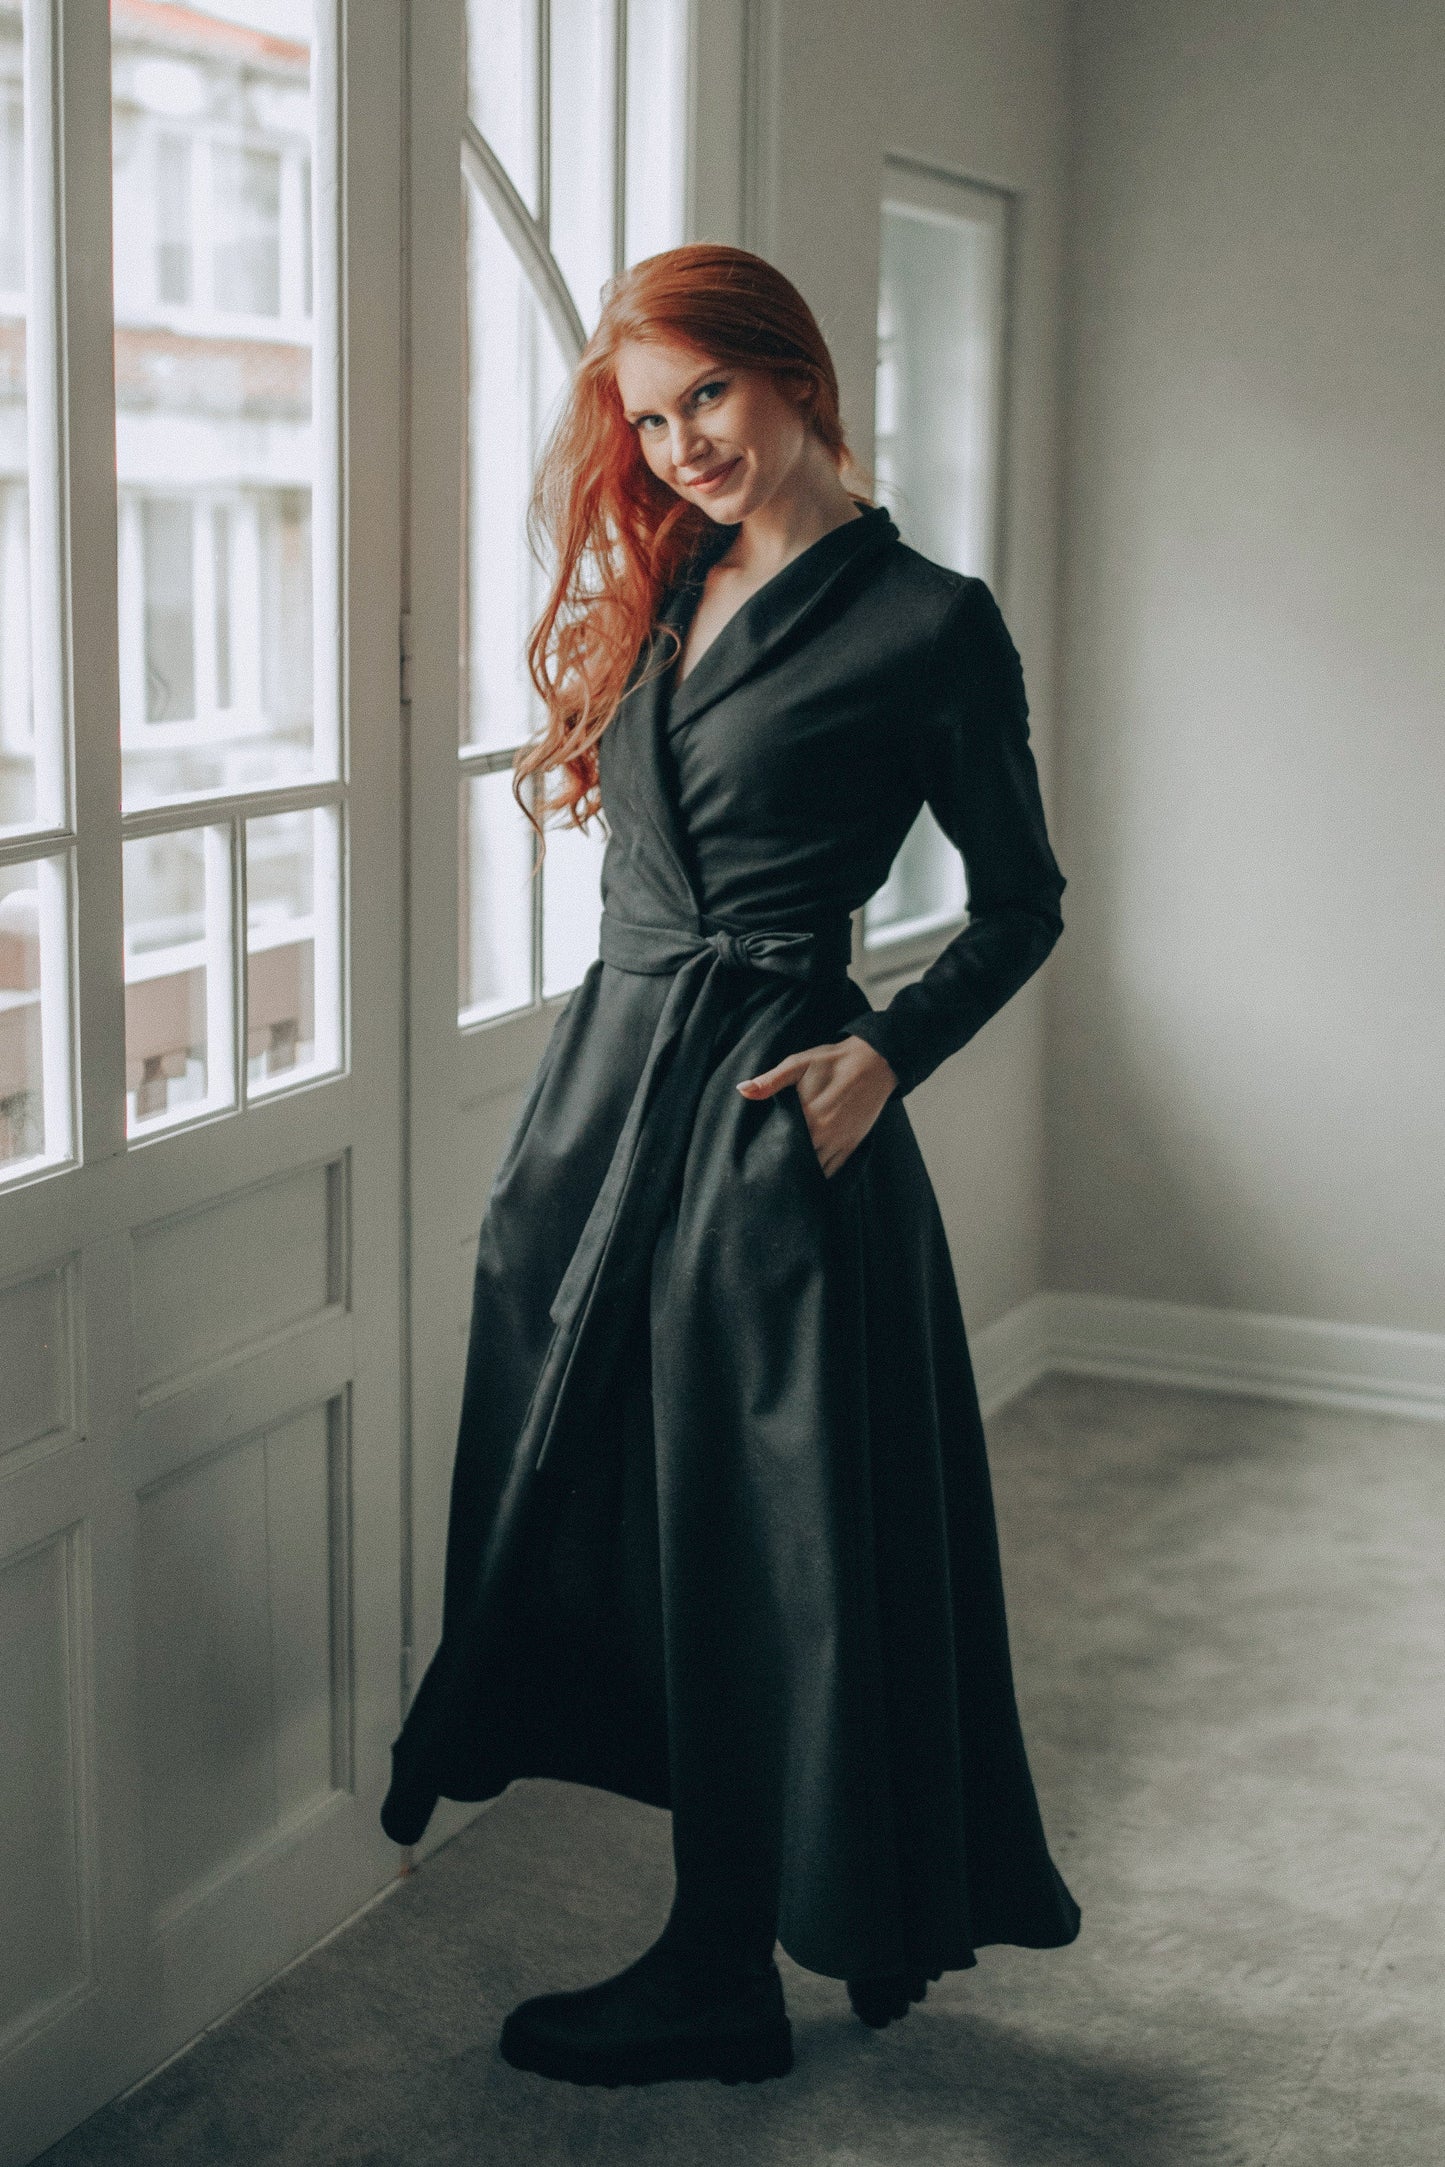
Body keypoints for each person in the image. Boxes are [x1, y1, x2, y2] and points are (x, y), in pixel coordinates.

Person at [381, 242, 1081, 2087]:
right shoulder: (667, 577)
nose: (681, 440)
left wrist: (885, 1056)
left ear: (793, 377)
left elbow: (1021, 904)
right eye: (648, 411)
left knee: (761, 1554)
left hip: (772, 1131)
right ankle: (707, 1951)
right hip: (597, 1115)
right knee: (618, 1526)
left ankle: (720, 1967)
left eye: (707, 392)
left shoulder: (932, 619)